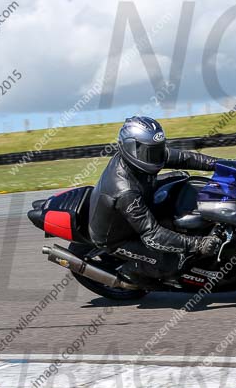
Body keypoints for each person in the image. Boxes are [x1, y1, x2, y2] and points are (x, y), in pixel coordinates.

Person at [88, 116, 224, 285]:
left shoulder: (147, 156)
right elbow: (152, 235)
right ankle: (130, 274)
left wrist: (222, 164)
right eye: (151, 151)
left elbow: (185, 158)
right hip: (119, 237)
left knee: (182, 178)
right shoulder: (125, 190)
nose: (157, 155)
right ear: (132, 148)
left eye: (158, 149)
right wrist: (198, 244)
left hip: (141, 199)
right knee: (172, 263)